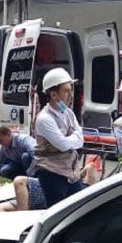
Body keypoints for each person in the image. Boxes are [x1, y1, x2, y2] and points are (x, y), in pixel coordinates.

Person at [33, 67, 85, 207]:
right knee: (58, 214)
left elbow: (81, 139)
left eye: (71, 90)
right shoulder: (44, 119)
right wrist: (73, 137)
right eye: (67, 91)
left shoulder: (67, 113)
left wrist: (72, 138)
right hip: (53, 174)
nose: (71, 95)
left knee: (76, 211)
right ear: (54, 95)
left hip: (70, 174)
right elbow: (63, 145)